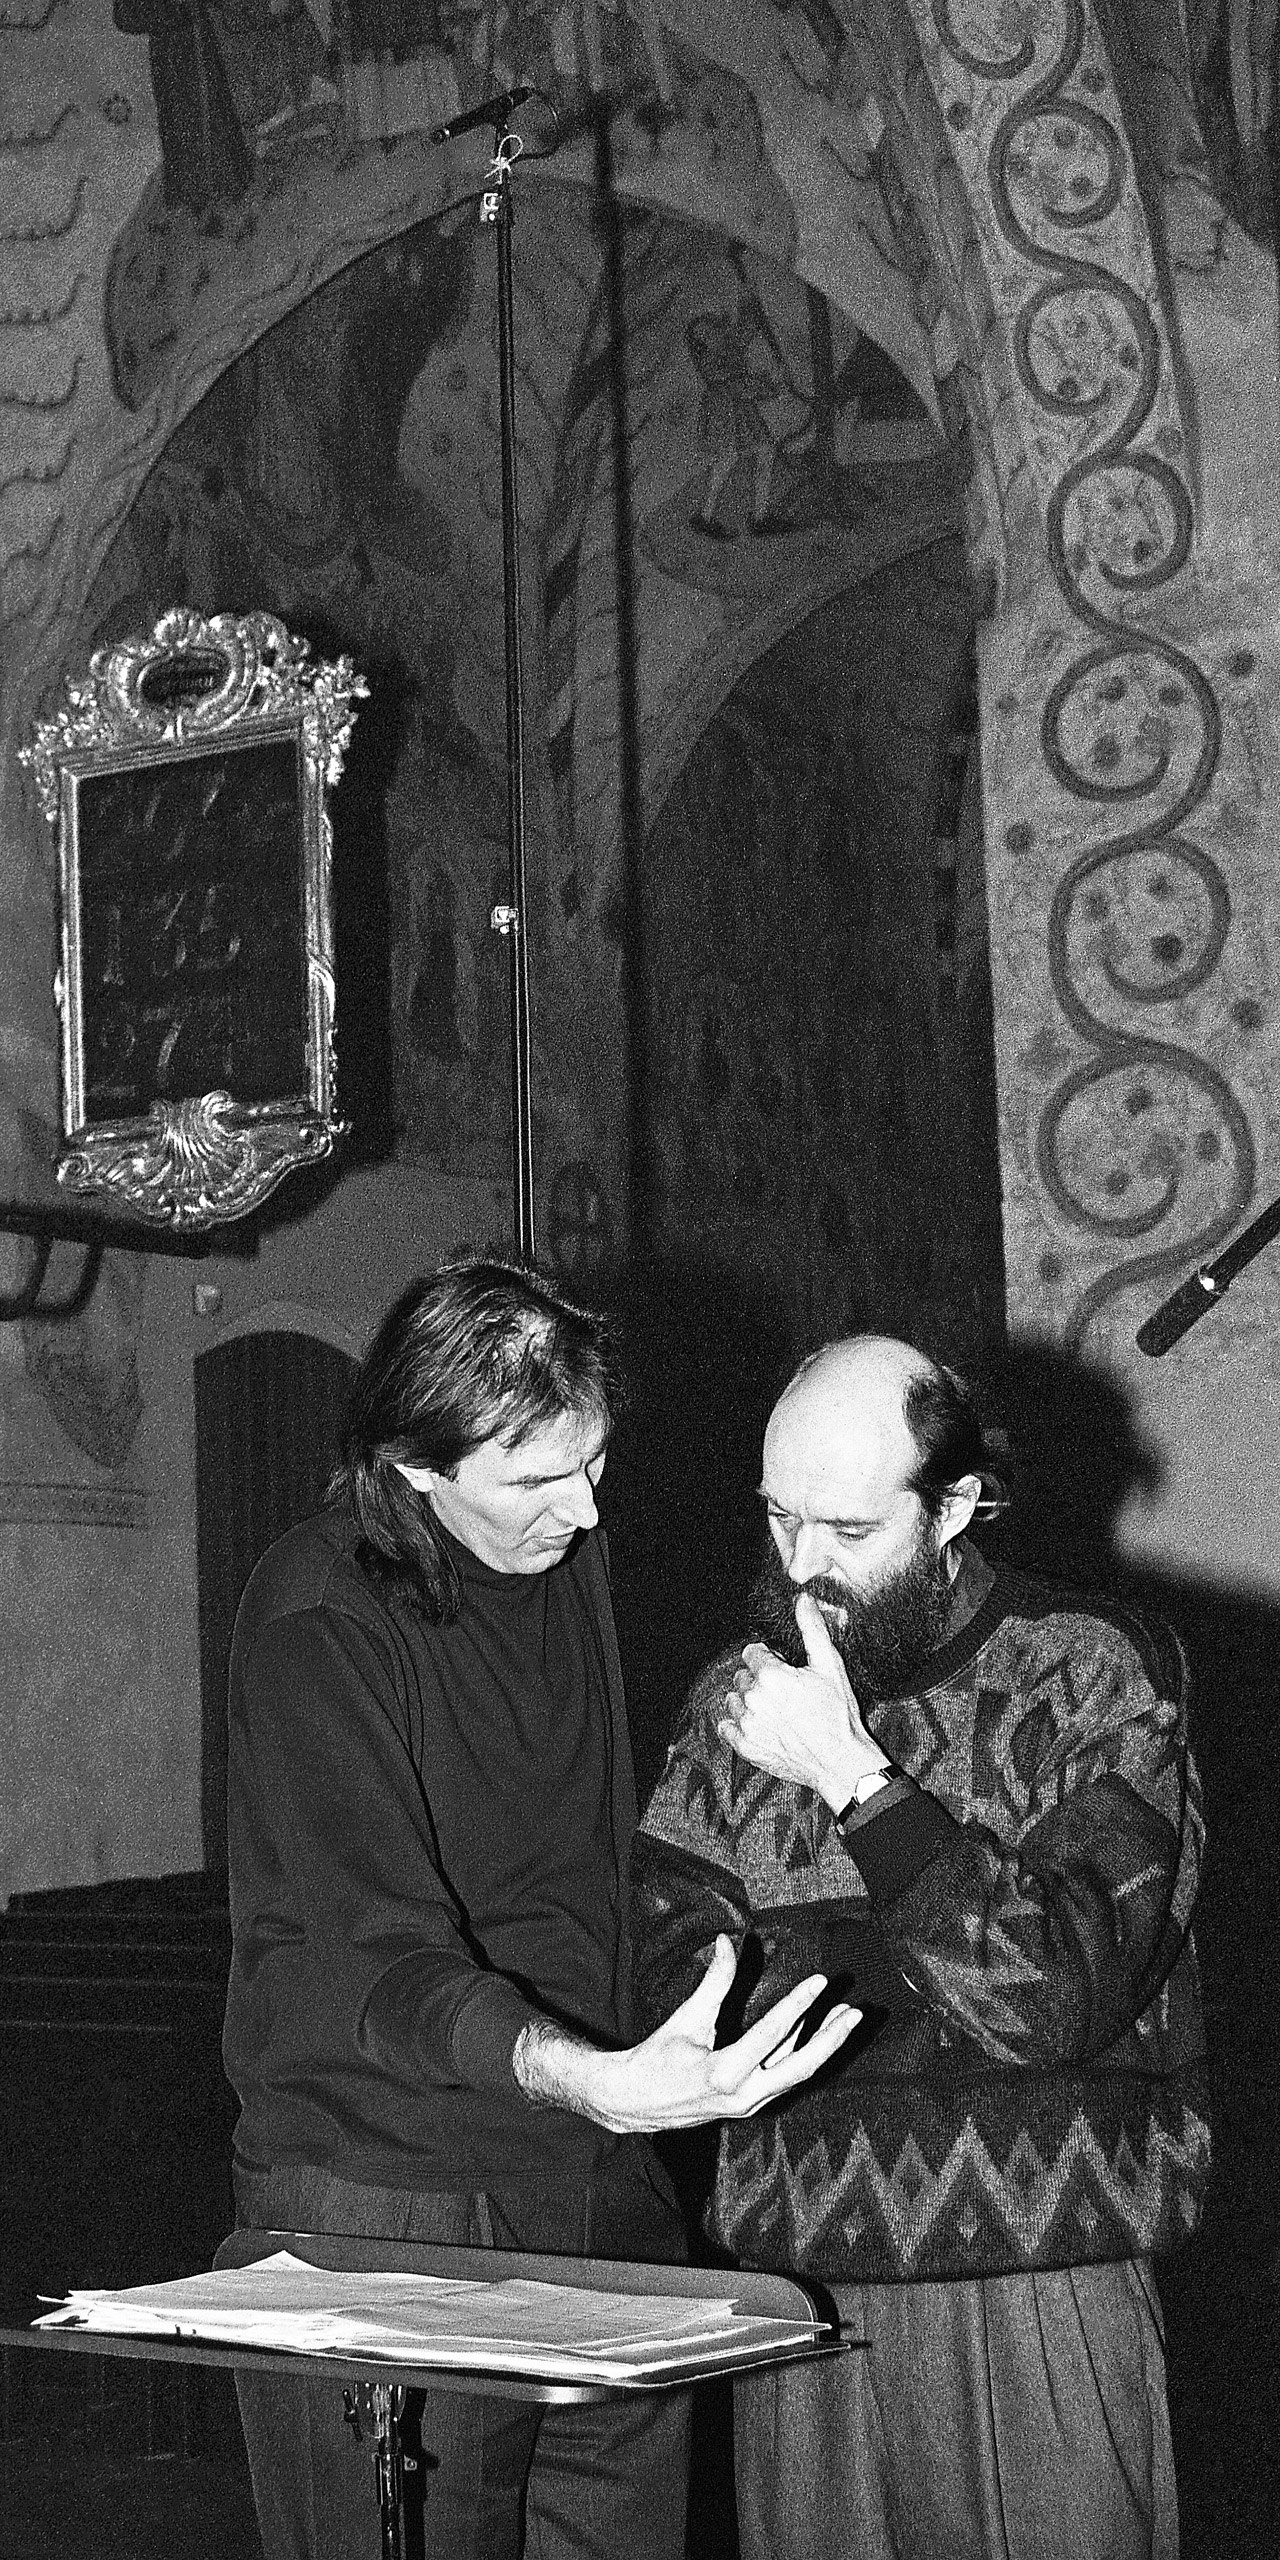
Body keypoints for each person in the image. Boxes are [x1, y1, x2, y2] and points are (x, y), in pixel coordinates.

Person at [222, 1259, 858, 2560]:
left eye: (595, 1461)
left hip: (594, 2172)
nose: (582, 1509)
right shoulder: (316, 1617)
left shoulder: (568, 1552)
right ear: (413, 1466)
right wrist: (589, 2076)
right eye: (533, 1480)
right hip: (385, 2191)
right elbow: (371, 1955)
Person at [633, 1335, 1210, 2560]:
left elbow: (1056, 1998)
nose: (801, 1568)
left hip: (1043, 2280)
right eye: (778, 1517)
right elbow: (671, 1985)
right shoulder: (733, 1700)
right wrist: (942, 1959)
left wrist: (854, 1780)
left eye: (847, 1529)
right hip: (804, 2294)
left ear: (952, 1506)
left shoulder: (1092, 1669)